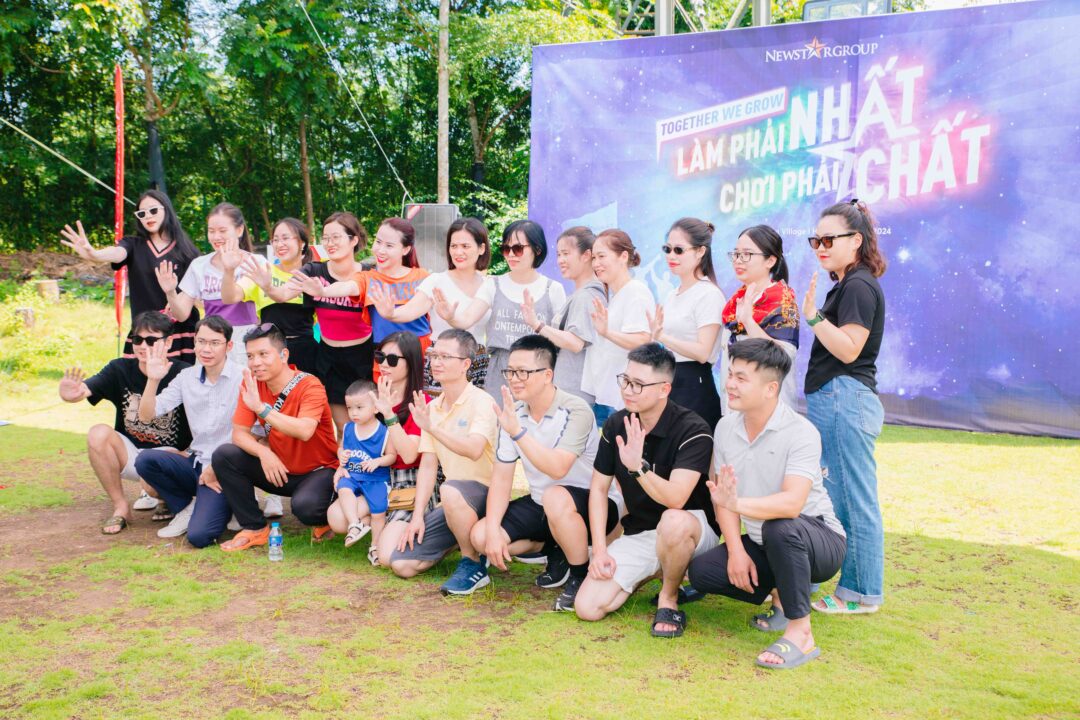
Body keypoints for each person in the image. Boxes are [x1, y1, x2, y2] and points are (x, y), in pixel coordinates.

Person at [686, 339, 846, 669]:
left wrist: (736, 503)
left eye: (741, 378)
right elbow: (723, 498)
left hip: (818, 538)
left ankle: (801, 632)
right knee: (701, 573)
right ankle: (783, 593)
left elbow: (791, 504)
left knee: (780, 527)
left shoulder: (801, 432)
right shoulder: (725, 427)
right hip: (767, 541)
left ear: (771, 388)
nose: (730, 384)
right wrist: (736, 551)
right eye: (730, 374)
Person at [574, 344, 718, 639]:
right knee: (587, 607)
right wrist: (599, 551)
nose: (628, 390)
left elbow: (676, 499)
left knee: (673, 522)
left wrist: (638, 468)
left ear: (664, 389)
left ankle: (669, 598)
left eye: (638, 384)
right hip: (642, 531)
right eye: (625, 380)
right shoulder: (616, 423)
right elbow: (598, 489)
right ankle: (659, 568)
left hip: (692, 528)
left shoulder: (693, 429)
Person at [471, 334, 623, 611]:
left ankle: (579, 575)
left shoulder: (576, 410)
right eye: (510, 371)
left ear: (547, 375)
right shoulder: (515, 413)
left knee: (555, 496)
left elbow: (557, 467)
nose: (514, 379)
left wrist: (517, 432)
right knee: (480, 536)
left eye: (523, 372)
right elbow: (501, 480)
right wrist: (492, 531)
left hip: (594, 505)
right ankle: (556, 548)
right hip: (544, 503)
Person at [802, 199, 888, 615]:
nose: (820, 247)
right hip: (839, 398)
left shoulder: (858, 286)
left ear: (855, 240)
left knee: (854, 499)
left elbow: (850, 349)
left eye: (828, 240)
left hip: (845, 398)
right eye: (815, 240)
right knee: (840, 496)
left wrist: (813, 317)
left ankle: (859, 594)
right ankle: (848, 588)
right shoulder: (849, 284)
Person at [384, 329, 499, 595]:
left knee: (450, 490)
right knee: (400, 564)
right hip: (452, 503)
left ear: (466, 364)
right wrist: (417, 517)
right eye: (434, 355)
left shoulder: (482, 401)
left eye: (446, 357)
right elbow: (428, 464)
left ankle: (472, 561)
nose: (436, 362)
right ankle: (462, 539)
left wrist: (433, 428)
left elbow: (474, 450)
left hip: (486, 496)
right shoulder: (433, 408)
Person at [57, 311, 192, 535]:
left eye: (151, 340)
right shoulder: (119, 369)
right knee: (98, 433)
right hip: (131, 452)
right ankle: (121, 506)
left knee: (151, 475)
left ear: (168, 342)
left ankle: (166, 498)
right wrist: (69, 394)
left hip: (169, 455)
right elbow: (84, 390)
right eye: (137, 339)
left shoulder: (184, 373)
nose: (142, 346)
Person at [212, 323, 340, 551]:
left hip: (318, 471)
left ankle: (325, 517)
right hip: (280, 469)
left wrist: (262, 409)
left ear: (284, 355)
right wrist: (264, 452)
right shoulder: (252, 385)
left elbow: (305, 430)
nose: (256, 362)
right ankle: (254, 528)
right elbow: (238, 434)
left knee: (306, 509)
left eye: (263, 354)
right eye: (250, 356)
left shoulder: (310, 385)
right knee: (225, 455)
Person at [134, 315, 245, 544]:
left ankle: (229, 503)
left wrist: (218, 467)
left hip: (227, 467)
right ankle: (185, 508)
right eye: (201, 341)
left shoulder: (243, 377)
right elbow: (146, 415)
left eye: (214, 343)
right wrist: (153, 380)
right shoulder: (187, 377)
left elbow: (256, 432)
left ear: (229, 346)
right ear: (194, 343)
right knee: (145, 460)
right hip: (197, 463)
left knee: (199, 536)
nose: (206, 349)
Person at [61, 189, 201, 364]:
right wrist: (94, 254)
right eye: (142, 213)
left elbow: (196, 294)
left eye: (153, 210)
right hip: (144, 332)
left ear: (166, 210)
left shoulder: (187, 251)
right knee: (141, 380)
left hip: (180, 333)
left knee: (180, 379)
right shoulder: (133, 245)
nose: (148, 216)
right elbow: (117, 253)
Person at [435, 220, 566, 400]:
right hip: (501, 372)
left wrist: (537, 325)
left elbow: (562, 339)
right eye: (506, 248)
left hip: (538, 371)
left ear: (537, 249)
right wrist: (451, 317)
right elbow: (466, 319)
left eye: (518, 249)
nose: (511, 255)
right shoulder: (493, 284)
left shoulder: (553, 289)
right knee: (498, 416)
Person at [275, 212, 372, 432]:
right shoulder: (314, 270)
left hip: (363, 358)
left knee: (368, 427)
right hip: (329, 359)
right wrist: (267, 285)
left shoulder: (369, 274)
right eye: (326, 238)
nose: (330, 243)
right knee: (345, 430)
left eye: (336, 237)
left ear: (354, 240)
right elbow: (283, 294)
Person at [373, 217, 493, 390]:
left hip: (477, 362)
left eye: (465, 246)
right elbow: (412, 309)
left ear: (481, 248)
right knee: (437, 406)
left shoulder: (490, 285)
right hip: (440, 360)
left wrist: (451, 317)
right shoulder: (436, 281)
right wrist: (391, 314)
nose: (458, 252)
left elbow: (468, 321)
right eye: (453, 246)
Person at [155, 202, 268, 368]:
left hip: (244, 340)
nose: (216, 237)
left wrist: (229, 270)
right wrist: (171, 292)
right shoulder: (199, 265)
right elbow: (181, 315)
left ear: (239, 230)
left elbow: (233, 298)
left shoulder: (255, 262)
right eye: (211, 231)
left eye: (222, 231)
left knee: (243, 384)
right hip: (209, 341)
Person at [649, 217, 726, 430]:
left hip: (695, 386)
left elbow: (703, 352)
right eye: (667, 249)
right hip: (670, 381)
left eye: (679, 250)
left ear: (700, 251)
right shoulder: (673, 293)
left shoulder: (708, 294)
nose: (671, 256)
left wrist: (662, 337)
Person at [221, 217, 319, 374]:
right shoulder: (263, 272)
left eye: (285, 238)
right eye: (275, 240)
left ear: (302, 243)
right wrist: (228, 270)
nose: (280, 244)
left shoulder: (313, 274)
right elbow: (229, 297)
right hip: (270, 354)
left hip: (306, 354)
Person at [523, 226, 607, 405]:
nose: (560, 260)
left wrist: (537, 325)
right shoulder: (582, 294)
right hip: (569, 389)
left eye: (566, 254)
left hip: (576, 393)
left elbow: (576, 342)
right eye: (559, 254)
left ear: (586, 255)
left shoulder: (586, 296)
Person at [722, 224, 800, 407]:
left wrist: (749, 322)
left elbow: (784, 356)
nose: (738, 260)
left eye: (747, 254)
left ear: (770, 261)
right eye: (736, 254)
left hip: (768, 404)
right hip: (735, 401)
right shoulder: (737, 300)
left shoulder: (783, 301)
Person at [582, 229, 654, 425]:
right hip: (606, 396)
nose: (596, 264)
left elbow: (642, 340)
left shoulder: (636, 292)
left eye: (602, 256)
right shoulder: (618, 295)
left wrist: (606, 332)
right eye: (594, 258)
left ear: (623, 256)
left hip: (622, 399)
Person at [328, 380, 397, 564]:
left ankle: (375, 546)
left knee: (378, 513)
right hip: (353, 475)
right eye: (349, 408)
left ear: (375, 408)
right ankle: (354, 524)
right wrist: (341, 455)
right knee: (343, 488)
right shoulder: (349, 428)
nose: (353, 413)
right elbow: (342, 447)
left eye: (359, 407)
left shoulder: (384, 432)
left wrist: (378, 461)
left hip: (376, 478)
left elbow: (392, 456)